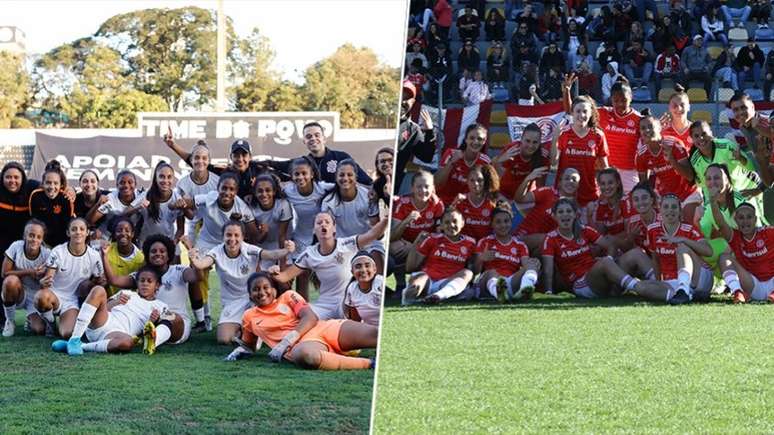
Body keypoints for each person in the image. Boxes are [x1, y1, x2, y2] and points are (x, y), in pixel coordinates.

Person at [225, 271, 377, 370]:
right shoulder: (249, 315)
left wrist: (286, 341)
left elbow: (310, 317)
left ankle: (341, 352)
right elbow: (249, 344)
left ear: (274, 289)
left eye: (266, 287)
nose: (262, 292)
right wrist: (241, 349)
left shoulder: (289, 296)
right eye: (256, 289)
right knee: (306, 356)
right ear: (250, 294)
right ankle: (369, 363)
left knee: (377, 334)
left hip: (323, 329)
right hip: (302, 346)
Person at [188, 220, 295, 344]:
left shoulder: (249, 250)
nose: (232, 239)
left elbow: (271, 254)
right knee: (224, 339)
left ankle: (265, 326)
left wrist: (287, 250)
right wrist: (194, 259)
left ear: (243, 237)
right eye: (228, 235)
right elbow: (202, 263)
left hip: (253, 300)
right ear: (223, 236)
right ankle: (246, 331)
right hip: (231, 303)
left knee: (275, 279)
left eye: (236, 235)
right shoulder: (216, 252)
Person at [174, 173, 259, 327]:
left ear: (236, 191)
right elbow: (188, 203)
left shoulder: (242, 207)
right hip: (206, 241)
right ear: (217, 188)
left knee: (239, 276)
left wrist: (242, 223)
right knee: (196, 274)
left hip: (229, 243)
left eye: (231, 189)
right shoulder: (209, 197)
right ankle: (203, 319)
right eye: (224, 188)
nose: (227, 192)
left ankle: (245, 313)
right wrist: (179, 203)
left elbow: (254, 233)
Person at [267, 212, 389, 320]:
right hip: (324, 305)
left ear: (334, 228)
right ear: (314, 230)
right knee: (298, 316)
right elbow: (285, 276)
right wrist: (273, 271)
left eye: (327, 222)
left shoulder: (347, 244)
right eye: (319, 223)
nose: (323, 225)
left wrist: (386, 220)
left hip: (348, 303)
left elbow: (372, 234)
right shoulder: (309, 253)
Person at [542, 198, 661, 297]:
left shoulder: (585, 230)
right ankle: (639, 287)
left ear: (575, 214)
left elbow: (610, 245)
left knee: (636, 253)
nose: (565, 214)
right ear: (554, 216)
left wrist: (609, 258)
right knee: (604, 262)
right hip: (582, 284)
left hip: (603, 276)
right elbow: (548, 270)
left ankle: (663, 285)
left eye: (569, 211)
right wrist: (548, 291)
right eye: (560, 212)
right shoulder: (551, 238)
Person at [103, 234, 203, 351]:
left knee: (172, 317)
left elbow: (197, 277)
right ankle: (149, 338)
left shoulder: (179, 270)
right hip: (150, 321)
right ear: (147, 255)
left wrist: (193, 256)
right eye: (153, 251)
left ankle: (153, 340)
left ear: (168, 255)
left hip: (177, 324)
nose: (157, 254)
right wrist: (104, 256)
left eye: (162, 251)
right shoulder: (143, 276)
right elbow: (114, 280)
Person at [51, 266, 169, 356]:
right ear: (137, 283)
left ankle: (82, 346)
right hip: (103, 322)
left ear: (157, 285)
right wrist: (115, 302)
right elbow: (100, 308)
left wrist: (154, 320)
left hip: (117, 333)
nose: (145, 284)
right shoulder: (127, 293)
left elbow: (152, 333)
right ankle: (75, 338)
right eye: (142, 280)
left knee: (127, 343)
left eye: (149, 281)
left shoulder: (160, 306)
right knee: (98, 290)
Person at [563, 74, 641, 193]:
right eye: (616, 100)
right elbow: (572, 111)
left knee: (630, 208)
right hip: (605, 172)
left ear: (631, 97)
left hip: (629, 173)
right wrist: (567, 91)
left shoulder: (639, 120)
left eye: (624, 100)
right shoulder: (603, 114)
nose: (620, 104)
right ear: (611, 99)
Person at [34, 218, 106, 339]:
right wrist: (43, 282)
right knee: (41, 297)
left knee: (67, 333)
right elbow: (48, 279)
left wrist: (97, 283)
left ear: (87, 232)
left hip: (72, 301)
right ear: (68, 233)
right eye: (74, 229)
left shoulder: (94, 256)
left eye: (82, 229)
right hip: (54, 296)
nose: (78, 232)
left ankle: (66, 321)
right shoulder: (58, 251)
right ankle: (50, 322)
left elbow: (100, 280)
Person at [645, 194, 714, 304]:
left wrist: (682, 239)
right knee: (641, 286)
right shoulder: (652, 230)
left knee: (682, 248)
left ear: (680, 211)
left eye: (674, 207)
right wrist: (658, 282)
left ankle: (684, 290)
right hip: (671, 280)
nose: (670, 210)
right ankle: (688, 295)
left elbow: (709, 251)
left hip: (700, 277)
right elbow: (655, 259)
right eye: (666, 207)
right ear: (660, 210)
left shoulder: (688, 229)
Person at [282, 157, 333, 299]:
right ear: (292, 176)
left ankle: (330, 309)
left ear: (312, 174)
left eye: (304, 173)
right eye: (296, 174)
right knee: (302, 275)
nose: (300, 177)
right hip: (299, 239)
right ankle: (301, 312)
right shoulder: (288, 190)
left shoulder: (322, 188)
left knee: (324, 278)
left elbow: (342, 186)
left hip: (319, 239)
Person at [402, 207, 476, 305]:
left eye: (455, 221)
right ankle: (409, 297)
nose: (451, 225)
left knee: (468, 273)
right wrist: (416, 243)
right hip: (427, 281)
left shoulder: (470, 243)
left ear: (462, 223)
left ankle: (437, 297)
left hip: (447, 283)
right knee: (417, 283)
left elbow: (474, 269)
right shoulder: (432, 239)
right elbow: (410, 268)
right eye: (446, 222)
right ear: (441, 225)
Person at [636, 112, 700, 221]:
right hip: (666, 197)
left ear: (659, 128)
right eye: (643, 128)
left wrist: (672, 160)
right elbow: (644, 185)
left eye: (650, 126)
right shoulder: (641, 155)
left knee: (689, 224)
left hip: (688, 194)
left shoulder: (674, 144)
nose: (647, 130)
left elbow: (690, 176)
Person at [321, 159, 384, 272]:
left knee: (377, 272)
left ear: (356, 177)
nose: (345, 178)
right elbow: (328, 235)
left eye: (349, 175)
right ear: (336, 177)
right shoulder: (328, 202)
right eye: (341, 175)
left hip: (369, 243)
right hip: (343, 246)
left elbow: (378, 234)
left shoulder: (368, 196)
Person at [389, 170, 444, 289]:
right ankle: (400, 284)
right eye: (419, 187)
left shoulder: (437, 204)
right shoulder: (402, 204)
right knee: (394, 247)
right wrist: (406, 221)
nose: (423, 191)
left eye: (427, 187)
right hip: (406, 244)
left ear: (433, 188)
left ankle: (429, 282)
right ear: (412, 188)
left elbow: (440, 233)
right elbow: (392, 237)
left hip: (426, 244)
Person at [551, 95, 609, 208]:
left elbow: (604, 168)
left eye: (585, 111)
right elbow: (553, 162)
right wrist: (555, 138)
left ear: (591, 113)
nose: (581, 115)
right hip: (565, 196)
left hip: (589, 195)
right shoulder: (563, 133)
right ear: (572, 112)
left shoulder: (598, 135)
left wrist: (605, 191)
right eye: (578, 111)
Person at [712, 202, 774, 303]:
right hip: (752, 285)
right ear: (736, 220)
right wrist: (712, 199)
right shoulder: (735, 237)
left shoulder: (768, 232)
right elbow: (720, 223)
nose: (745, 221)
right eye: (741, 218)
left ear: (755, 219)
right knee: (724, 257)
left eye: (749, 217)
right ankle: (738, 292)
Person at [474, 207, 540, 302]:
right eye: (498, 222)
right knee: (492, 272)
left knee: (532, 265)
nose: (503, 225)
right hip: (487, 285)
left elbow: (526, 264)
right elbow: (475, 271)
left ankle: (525, 290)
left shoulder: (520, 245)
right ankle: (499, 293)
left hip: (510, 283)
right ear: (491, 224)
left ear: (511, 222)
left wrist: (533, 263)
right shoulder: (485, 242)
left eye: (506, 221)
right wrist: (481, 259)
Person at [515, 167, 581, 254]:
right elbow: (519, 199)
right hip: (522, 238)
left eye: (574, 179)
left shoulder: (575, 208)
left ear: (578, 185)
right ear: (559, 182)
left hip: (544, 247)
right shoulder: (548, 192)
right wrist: (528, 179)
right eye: (567, 178)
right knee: (551, 239)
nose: (570, 181)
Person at [1, 220, 50, 336]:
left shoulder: (47, 254)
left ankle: (30, 321)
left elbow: (50, 281)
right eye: (31, 235)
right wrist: (30, 272)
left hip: (36, 296)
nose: (34, 239)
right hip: (19, 291)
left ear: (42, 239)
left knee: (39, 330)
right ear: (24, 236)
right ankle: (10, 320)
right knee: (10, 281)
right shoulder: (16, 246)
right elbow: (4, 273)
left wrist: (43, 276)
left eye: (38, 237)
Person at [125, 162, 185, 250]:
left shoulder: (177, 198)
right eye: (161, 177)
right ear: (155, 179)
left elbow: (180, 229)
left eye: (169, 177)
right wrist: (139, 207)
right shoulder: (146, 195)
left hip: (166, 246)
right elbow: (126, 213)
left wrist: (173, 243)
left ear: (173, 179)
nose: (165, 181)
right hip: (145, 246)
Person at [174, 142, 219, 245]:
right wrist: (185, 206)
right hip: (193, 232)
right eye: (197, 157)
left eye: (204, 158)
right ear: (191, 160)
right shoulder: (182, 184)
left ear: (209, 160)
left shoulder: (217, 181)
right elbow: (190, 215)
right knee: (195, 260)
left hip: (215, 231)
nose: (200, 161)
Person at [434, 123, 492, 205]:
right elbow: (437, 182)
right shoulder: (451, 154)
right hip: (444, 204)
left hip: (467, 207)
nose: (475, 142)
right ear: (466, 139)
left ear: (484, 141)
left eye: (479, 139)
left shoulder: (485, 162)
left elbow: (488, 190)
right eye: (472, 138)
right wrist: (451, 162)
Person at [396, 80, 436, 195]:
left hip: (394, 186)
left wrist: (429, 131)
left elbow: (427, 157)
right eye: (399, 96)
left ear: (413, 102)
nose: (402, 101)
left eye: (406, 98)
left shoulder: (413, 130)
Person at [249, 173, 295, 272]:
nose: (264, 194)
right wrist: (264, 233)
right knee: (262, 282)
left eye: (268, 190)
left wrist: (283, 264)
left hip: (281, 247)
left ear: (274, 191)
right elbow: (254, 240)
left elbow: (282, 236)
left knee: (283, 284)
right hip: (262, 250)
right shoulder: (251, 207)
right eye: (260, 191)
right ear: (255, 192)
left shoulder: (283, 205)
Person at [492, 122, 549, 201]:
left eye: (535, 142)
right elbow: (497, 176)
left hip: (525, 196)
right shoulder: (511, 150)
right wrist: (499, 160)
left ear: (540, 143)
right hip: (504, 194)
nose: (531, 146)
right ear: (521, 139)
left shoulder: (543, 157)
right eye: (527, 141)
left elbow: (540, 186)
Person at [586, 168, 635, 251]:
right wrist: (589, 216)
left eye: (610, 183)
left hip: (630, 247)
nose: (606, 187)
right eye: (603, 184)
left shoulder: (625, 201)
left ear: (618, 183)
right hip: (613, 247)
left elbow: (629, 233)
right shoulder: (601, 205)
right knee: (591, 249)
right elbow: (599, 234)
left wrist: (611, 238)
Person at [28, 161, 75, 247]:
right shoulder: (36, 196)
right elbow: (33, 221)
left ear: (61, 184)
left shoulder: (66, 198)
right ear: (43, 183)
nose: (52, 187)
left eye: (56, 183)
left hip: (62, 244)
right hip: (41, 242)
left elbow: (69, 226)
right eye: (48, 183)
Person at [86, 169, 140, 237]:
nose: (126, 185)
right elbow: (89, 221)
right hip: (113, 234)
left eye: (130, 182)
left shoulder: (141, 195)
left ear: (135, 184)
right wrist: (98, 204)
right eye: (122, 182)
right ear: (117, 185)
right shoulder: (110, 199)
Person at [453, 164, 499, 241]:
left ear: (485, 181)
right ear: (467, 181)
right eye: (472, 180)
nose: (476, 184)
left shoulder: (491, 203)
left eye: (479, 180)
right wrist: (453, 204)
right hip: (464, 245)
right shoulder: (460, 201)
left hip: (485, 245)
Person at [101, 217, 145, 297]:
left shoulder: (141, 258)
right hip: (108, 298)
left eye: (127, 231)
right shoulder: (106, 250)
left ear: (132, 234)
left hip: (130, 300)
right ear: (114, 234)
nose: (123, 233)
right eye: (119, 231)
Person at [342, 251, 383, 327]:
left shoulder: (380, 283)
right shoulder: (352, 289)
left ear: (374, 269)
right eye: (358, 266)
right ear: (352, 272)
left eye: (367, 266)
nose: (363, 270)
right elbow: (355, 321)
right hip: (369, 330)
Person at [73, 169, 110, 236]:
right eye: (85, 181)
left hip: (105, 235)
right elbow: (83, 223)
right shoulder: (75, 200)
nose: (89, 184)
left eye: (92, 181)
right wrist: (98, 204)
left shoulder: (107, 196)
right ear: (80, 184)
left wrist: (101, 230)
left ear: (98, 183)